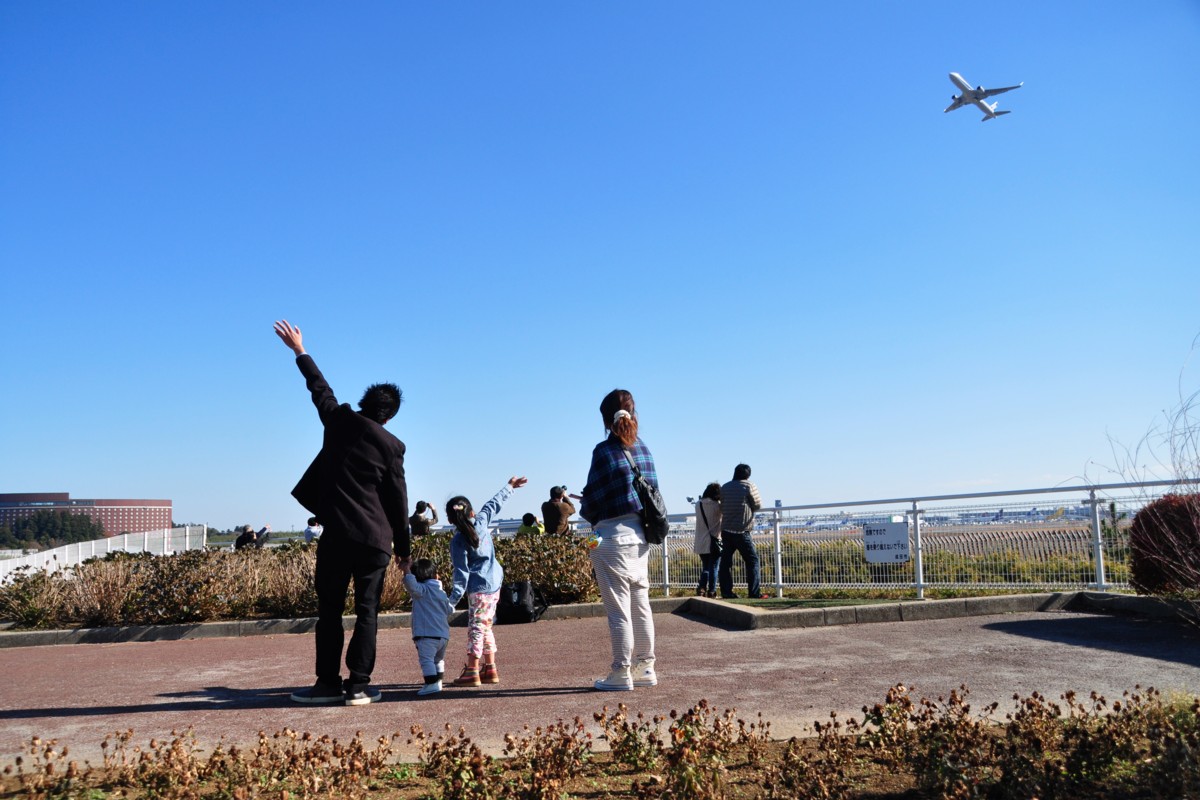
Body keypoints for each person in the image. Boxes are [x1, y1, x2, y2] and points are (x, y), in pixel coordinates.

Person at [274, 320, 411, 707]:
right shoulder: (392, 445)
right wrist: (403, 548)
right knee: (367, 612)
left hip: (336, 536)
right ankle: (359, 686)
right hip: (373, 542)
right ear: (389, 416)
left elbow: (321, 390)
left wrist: (300, 350)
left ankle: (326, 684)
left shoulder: (338, 421)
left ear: (365, 402)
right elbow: (398, 499)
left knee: (329, 611)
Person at [580, 389, 658, 692]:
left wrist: (586, 502)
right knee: (641, 605)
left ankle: (620, 671)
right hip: (641, 537)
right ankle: (646, 666)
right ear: (633, 414)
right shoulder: (645, 449)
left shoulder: (603, 451)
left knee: (618, 611)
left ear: (605, 419)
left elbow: (593, 500)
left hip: (610, 538)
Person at [446, 476, 527, 687]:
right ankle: (490, 668)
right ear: (471, 513)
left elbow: (461, 572)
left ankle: (472, 670)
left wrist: (452, 600)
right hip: (494, 584)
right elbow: (494, 504)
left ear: (450, 520)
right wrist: (510, 486)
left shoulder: (457, 541)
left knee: (476, 627)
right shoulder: (481, 522)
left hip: (478, 588)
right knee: (486, 626)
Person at [402, 558, 454, 695]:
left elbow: (411, 585)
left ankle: (431, 683)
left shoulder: (422, 590)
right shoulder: (441, 593)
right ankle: (438, 681)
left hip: (426, 635)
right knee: (438, 660)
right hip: (443, 636)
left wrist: (406, 570)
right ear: (436, 575)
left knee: (427, 660)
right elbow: (450, 610)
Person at [718, 463, 764, 599]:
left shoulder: (725, 487)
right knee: (752, 561)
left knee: (725, 563)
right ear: (748, 474)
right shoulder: (749, 486)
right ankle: (754, 593)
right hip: (742, 530)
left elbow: (721, 507)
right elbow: (757, 504)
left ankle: (727, 592)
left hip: (726, 530)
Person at [693, 483, 722, 597]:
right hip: (714, 541)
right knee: (714, 567)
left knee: (706, 567)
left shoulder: (698, 504)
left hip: (700, 541)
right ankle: (712, 590)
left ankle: (702, 588)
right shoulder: (717, 506)